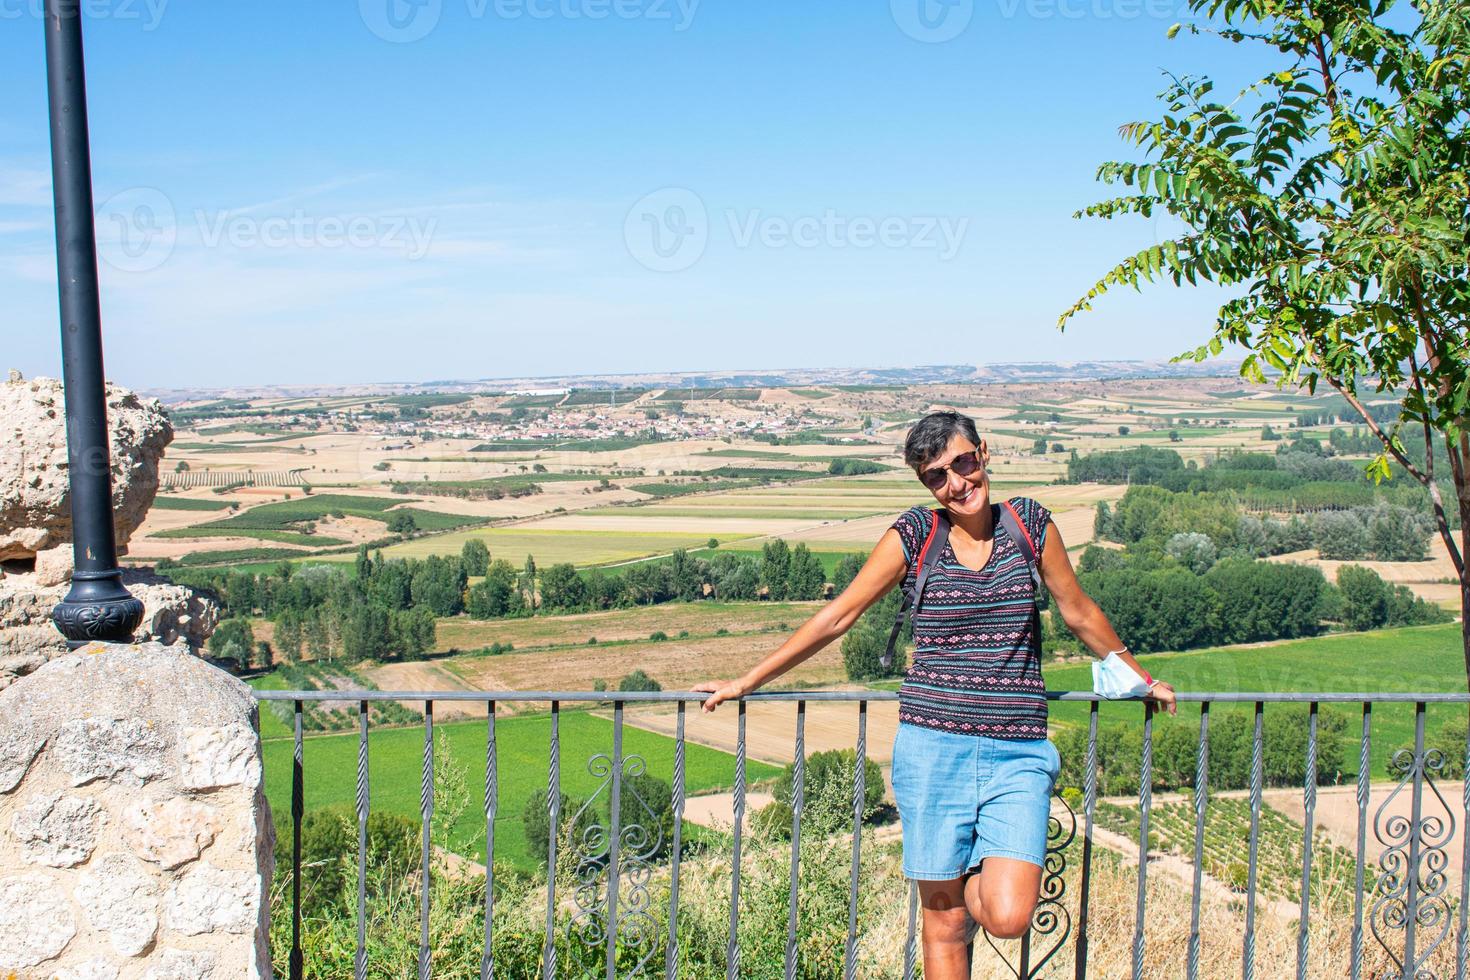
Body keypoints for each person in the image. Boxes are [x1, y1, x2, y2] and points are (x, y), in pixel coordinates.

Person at [694, 411, 1176, 978]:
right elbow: (837, 616)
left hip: (1017, 751)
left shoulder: (1031, 525)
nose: (956, 483)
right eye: (936, 476)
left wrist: (1139, 678)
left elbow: (1078, 610)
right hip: (932, 749)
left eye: (962, 464)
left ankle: (974, 874)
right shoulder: (917, 535)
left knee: (1009, 914)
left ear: (984, 453)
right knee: (943, 926)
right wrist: (746, 681)